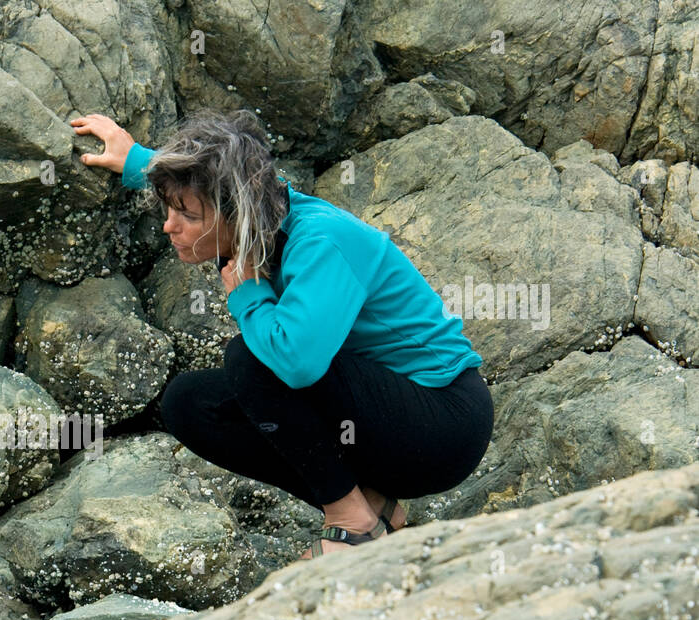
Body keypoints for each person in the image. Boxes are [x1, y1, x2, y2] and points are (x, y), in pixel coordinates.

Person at [70, 108, 494, 560]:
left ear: (238, 214)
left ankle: (351, 524)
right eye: (170, 210)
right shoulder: (256, 212)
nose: (169, 227)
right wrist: (136, 159)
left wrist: (249, 295)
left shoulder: (321, 240)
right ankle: (372, 507)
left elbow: (296, 363)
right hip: (379, 424)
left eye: (186, 216)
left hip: (441, 425)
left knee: (252, 360)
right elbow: (219, 180)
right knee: (189, 403)